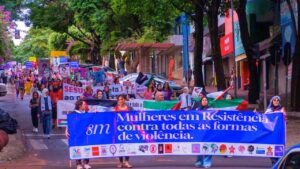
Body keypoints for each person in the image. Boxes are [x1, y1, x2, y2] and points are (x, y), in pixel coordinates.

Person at [65, 100, 91, 169]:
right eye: (84, 104)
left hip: (85, 134)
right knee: (77, 148)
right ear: (80, 106)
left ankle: (86, 163)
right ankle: (78, 164)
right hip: (76, 134)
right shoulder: (73, 113)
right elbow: (69, 123)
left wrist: (95, 113)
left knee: (86, 147)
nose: (85, 106)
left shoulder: (86, 113)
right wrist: (66, 131)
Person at [265, 95, 287, 166]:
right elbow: (264, 120)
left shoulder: (282, 110)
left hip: (279, 133)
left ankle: (279, 163)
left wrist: (284, 115)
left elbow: (284, 120)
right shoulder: (268, 111)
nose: (276, 101)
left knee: (279, 149)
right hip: (271, 133)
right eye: (275, 100)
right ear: (272, 101)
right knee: (271, 148)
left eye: (278, 100)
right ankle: (274, 163)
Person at [113, 95, 133, 168]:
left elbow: (134, 117)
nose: (120, 101)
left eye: (121, 99)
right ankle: (121, 162)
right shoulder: (115, 109)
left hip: (128, 129)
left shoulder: (130, 108)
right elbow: (112, 119)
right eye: (119, 99)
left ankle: (127, 162)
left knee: (128, 145)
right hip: (118, 130)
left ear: (124, 100)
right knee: (119, 146)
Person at [192, 96, 213, 168]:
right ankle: (199, 161)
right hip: (199, 131)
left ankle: (207, 162)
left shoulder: (211, 109)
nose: (204, 101)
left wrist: (218, 111)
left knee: (208, 146)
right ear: (201, 102)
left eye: (206, 100)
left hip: (208, 131)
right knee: (199, 146)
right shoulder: (197, 109)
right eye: (203, 100)